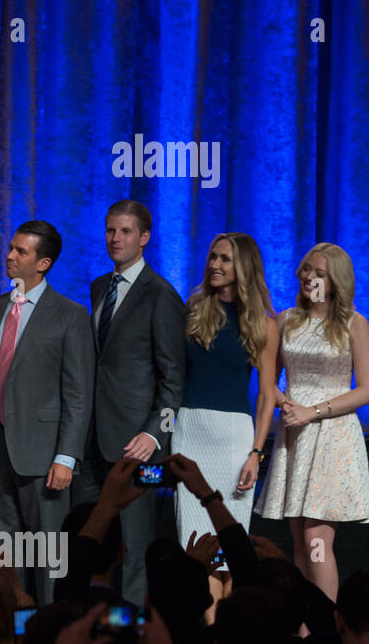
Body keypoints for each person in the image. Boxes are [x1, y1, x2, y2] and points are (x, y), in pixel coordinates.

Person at [0, 221, 93, 603]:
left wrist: (66, 457)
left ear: (43, 263)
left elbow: (78, 393)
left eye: (21, 252)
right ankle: (8, 633)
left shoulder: (70, 315)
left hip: (44, 456)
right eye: (11, 248)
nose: (9, 256)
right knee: (0, 553)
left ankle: (48, 630)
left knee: (47, 552)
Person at [76, 200, 185, 606]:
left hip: (138, 449)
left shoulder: (162, 296)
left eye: (124, 232)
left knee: (135, 549)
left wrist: (155, 436)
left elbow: (174, 382)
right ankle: (86, 629)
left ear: (144, 238)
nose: (115, 239)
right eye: (110, 231)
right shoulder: (99, 287)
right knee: (87, 542)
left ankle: (135, 643)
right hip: (91, 443)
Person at [254, 242, 369, 600]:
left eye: (320, 273)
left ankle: (326, 628)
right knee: (299, 543)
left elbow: (365, 390)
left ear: (336, 281)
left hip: (332, 436)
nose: (310, 278)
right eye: (307, 270)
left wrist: (312, 411)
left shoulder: (354, 323)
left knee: (316, 539)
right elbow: (269, 380)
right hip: (294, 436)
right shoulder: (286, 320)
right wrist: (285, 401)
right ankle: (305, 628)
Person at [172, 234, 278, 553]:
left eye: (225, 259)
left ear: (244, 267)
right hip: (190, 433)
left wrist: (256, 454)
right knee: (193, 547)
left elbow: (267, 396)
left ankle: (227, 605)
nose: (215, 265)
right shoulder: (194, 307)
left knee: (229, 549)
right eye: (213, 257)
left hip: (234, 440)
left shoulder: (264, 324)